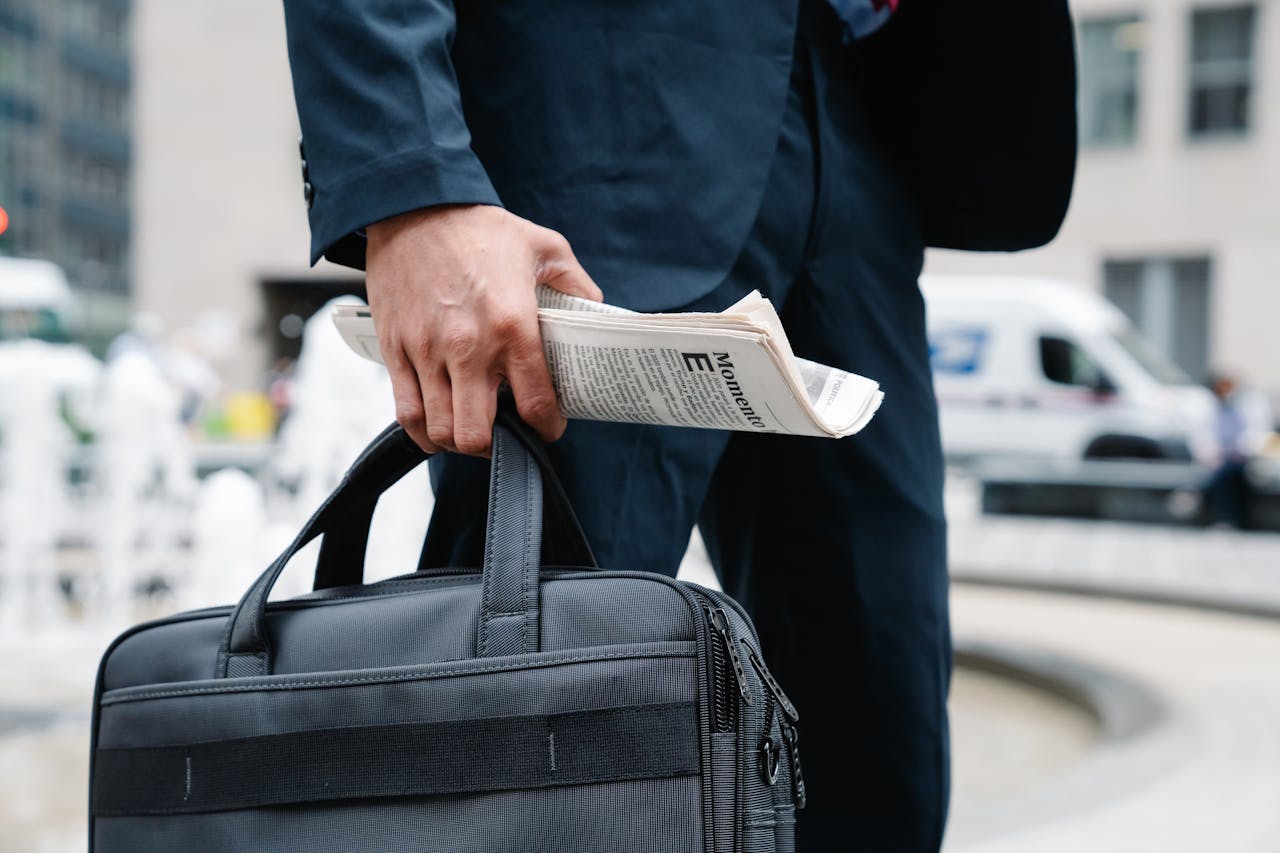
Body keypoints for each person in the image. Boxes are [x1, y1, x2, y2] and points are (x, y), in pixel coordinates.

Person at [281, 0, 1077, 848]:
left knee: (880, 732)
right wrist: (413, 178)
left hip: (862, 110)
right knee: (531, 742)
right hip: (601, 111)